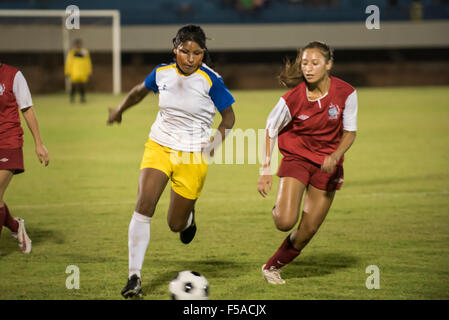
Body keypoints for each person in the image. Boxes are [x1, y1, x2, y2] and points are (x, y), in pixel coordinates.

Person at [107, 25, 236, 298]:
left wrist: (214, 143)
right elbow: (139, 92)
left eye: (197, 53)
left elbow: (229, 118)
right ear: (175, 49)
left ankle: (188, 218)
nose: (190, 58)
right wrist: (119, 110)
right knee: (144, 205)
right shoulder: (162, 73)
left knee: (175, 225)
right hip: (160, 146)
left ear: (203, 54)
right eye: (185, 52)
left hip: (192, 155)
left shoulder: (211, 80)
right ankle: (134, 277)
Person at [257, 41, 358, 284]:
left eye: (315, 63)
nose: (309, 68)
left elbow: (350, 132)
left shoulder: (347, 93)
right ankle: (280, 208)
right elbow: (270, 130)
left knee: (308, 229)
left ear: (328, 64)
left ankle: (272, 267)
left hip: (328, 166)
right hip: (297, 159)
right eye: (304, 63)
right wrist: (265, 170)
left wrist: (334, 156)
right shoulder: (291, 99)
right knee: (285, 221)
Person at [0, 62, 50, 254]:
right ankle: (16, 226)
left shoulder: (13, 76)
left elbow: (27, 108)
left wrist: (39, 143)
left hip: (9, 142)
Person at [65, 39, 92, 103]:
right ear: (75, 45)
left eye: (79, 44)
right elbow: (69, 63)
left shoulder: (85, 53)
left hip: (83, 73)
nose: (78, 45)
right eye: (77, 44)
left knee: (82, 86)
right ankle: (72, 98)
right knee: (73, 86)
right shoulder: (72, 53)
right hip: (74, 72)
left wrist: (89, 71)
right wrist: (67, 72)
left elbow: (88, 63)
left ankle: (83, 98)